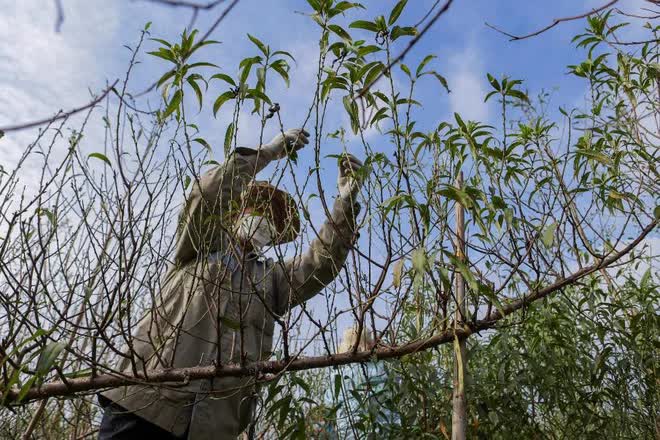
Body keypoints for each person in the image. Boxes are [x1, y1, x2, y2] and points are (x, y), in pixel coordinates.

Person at [98, 128, 364, 440]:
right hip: (145, 404)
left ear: (277, 235)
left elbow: (320, 264)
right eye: (257, 208)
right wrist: (267, 152)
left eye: (273, 218)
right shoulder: (199, 249)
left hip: (212, 426)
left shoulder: (271, 280)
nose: (264, 218)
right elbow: (206, 194)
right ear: (237, 212)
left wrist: (345, 202)